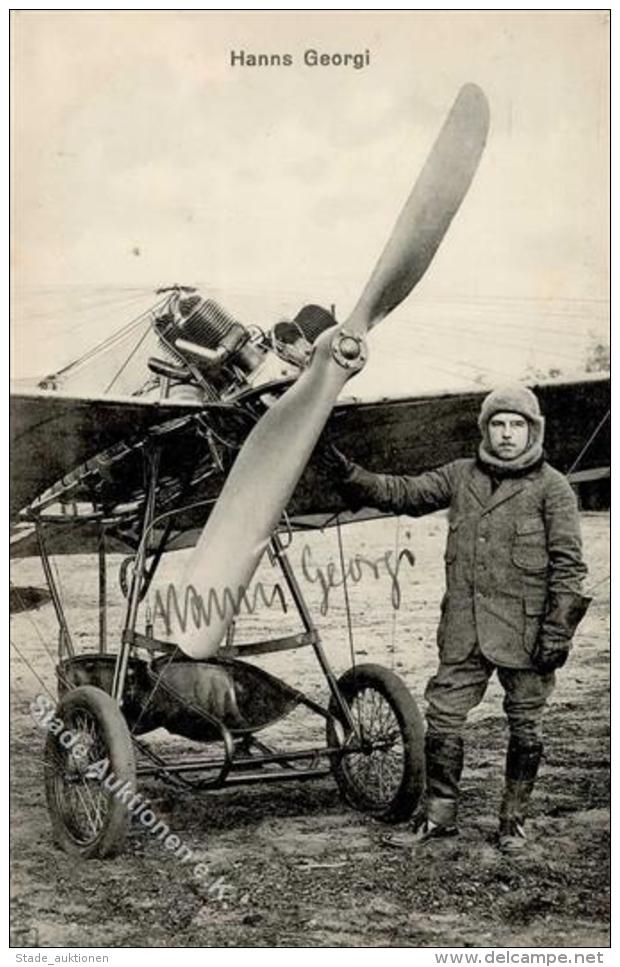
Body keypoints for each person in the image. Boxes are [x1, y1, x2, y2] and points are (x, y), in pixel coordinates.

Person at [325, 385, 590, 851]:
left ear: (533, 431)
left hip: (527, 635)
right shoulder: (460, 475)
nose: (507, 434)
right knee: (443, 720)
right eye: (498, 424)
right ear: (485, 428)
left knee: (526, 725)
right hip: (464, 631)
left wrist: (557, 634)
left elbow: (569, 567)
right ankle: (439, 817)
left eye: (517, 425)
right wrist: (350, 475)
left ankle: (513, 822)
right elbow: (404, 492)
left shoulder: (553, 488)